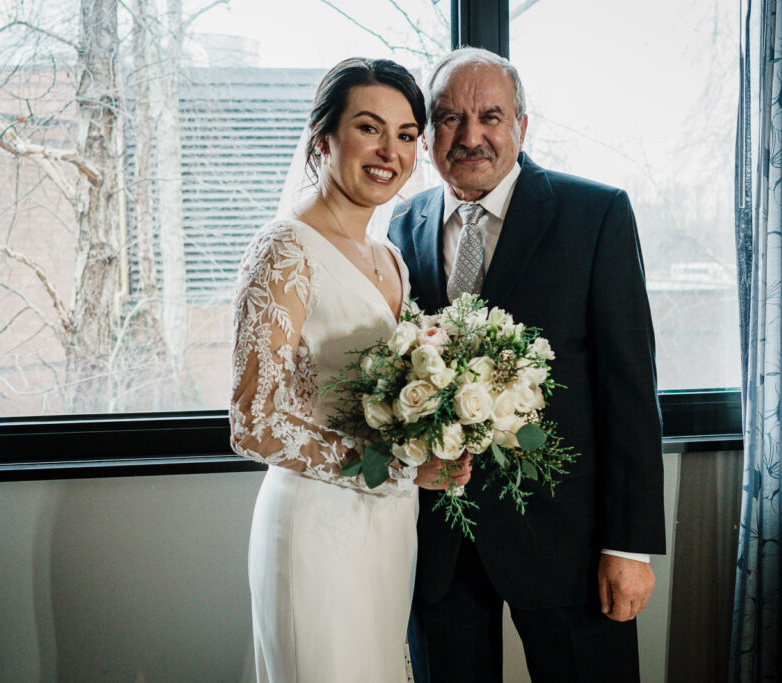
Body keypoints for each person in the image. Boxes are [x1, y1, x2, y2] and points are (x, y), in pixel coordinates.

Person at [388, 47, 666, 682]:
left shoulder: (595, 215)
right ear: (430, 131)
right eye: (450, 118)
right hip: (441, 547)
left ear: (522, 125)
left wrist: (627, 546)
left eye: (491, 116)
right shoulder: (402, 224)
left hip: (567, 544)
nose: (472, 136)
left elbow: (629, 389)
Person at [229, 57, 472, 683]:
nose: (388, 151)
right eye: (369, 128)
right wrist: (394, 466)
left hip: (389, 528)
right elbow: (251, 424)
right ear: (323, 139)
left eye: (406, 134)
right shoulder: (285, 250)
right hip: (315, 526)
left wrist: (430, 440)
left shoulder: (389, 256)